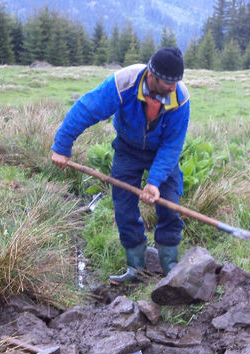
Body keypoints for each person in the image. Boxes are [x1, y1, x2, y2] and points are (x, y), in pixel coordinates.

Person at [51, 47, 190, 284]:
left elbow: (172, 146)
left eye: (176, 82)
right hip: (128, 148)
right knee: (124, 208)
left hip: (161, 153)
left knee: (169, 207)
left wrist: (154, 182)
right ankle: (136, 269)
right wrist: (62, 146)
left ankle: (170, 270)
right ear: (152, 76)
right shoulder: (124, 83)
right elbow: (87, 109)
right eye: (168, 82)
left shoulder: (180, 98)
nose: (173, 87)